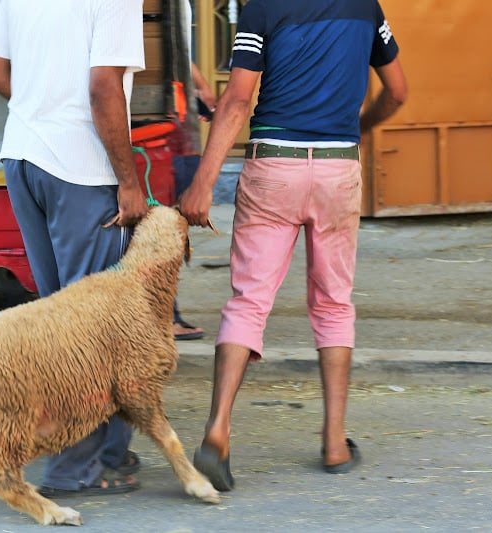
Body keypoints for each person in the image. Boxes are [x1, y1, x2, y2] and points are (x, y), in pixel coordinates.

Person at [178, 0, 407, 490]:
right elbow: (398, 92)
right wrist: (357, 129)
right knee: (333, 302)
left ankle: (217, 430)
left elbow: (238, 99)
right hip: (337, 168)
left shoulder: (262, 6)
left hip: (273, 165)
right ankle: (334, 442)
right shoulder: (366, 7)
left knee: (249, 300)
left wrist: (204, 180)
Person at [0, 1, 148, 496]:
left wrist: (40, 109)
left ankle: (108, 453)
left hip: (24, 158)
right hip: (80, 171)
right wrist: (128, 181)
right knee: (89, 333)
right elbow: (103, 88)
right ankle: (73, 471)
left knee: (61, 320)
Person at [172, 0, 218, 342]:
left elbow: (179, 50)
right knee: (165, 229)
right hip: (164, 131)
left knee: (174, 228)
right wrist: (201, 86)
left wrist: (200, 87)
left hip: (179, 128)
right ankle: (162, 314)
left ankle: (164, 312)